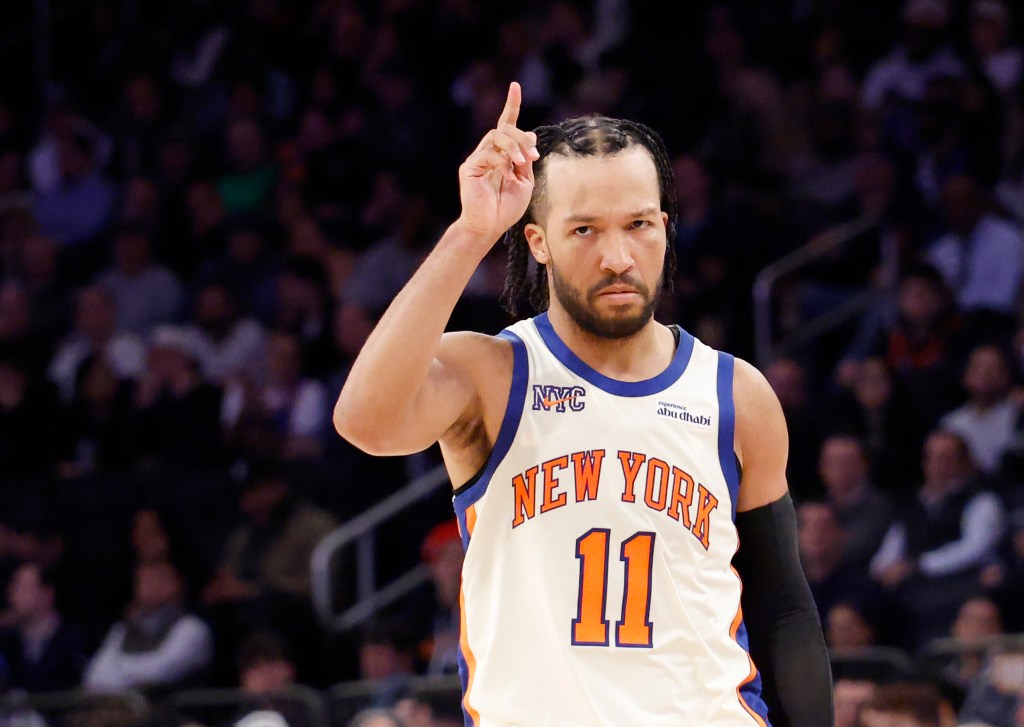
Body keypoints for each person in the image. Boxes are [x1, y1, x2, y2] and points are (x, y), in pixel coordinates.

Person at [334, 82, 832, 726]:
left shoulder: (736, 393)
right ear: (538, 242)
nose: (618, 256)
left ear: (665, 228)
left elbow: (783, 608)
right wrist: (471, 232)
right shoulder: (493, 373)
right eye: (585, 230)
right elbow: (365, 422)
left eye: (638, 225)